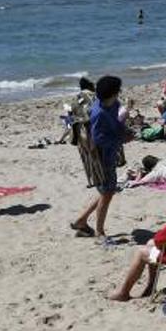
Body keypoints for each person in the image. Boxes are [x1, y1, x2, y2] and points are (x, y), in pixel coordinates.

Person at [70, 75, 128, 238]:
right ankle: (99, 231)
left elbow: (116, 122)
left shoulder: (114, 104)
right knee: (107, 192)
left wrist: (123, 129)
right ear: (111, 94)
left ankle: (81, 220)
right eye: (117, 92)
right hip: (102, 158)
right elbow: (98, 139)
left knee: (106, 191)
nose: (119, 95)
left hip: (110, 154)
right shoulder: (98, 113)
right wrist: (120, 138)